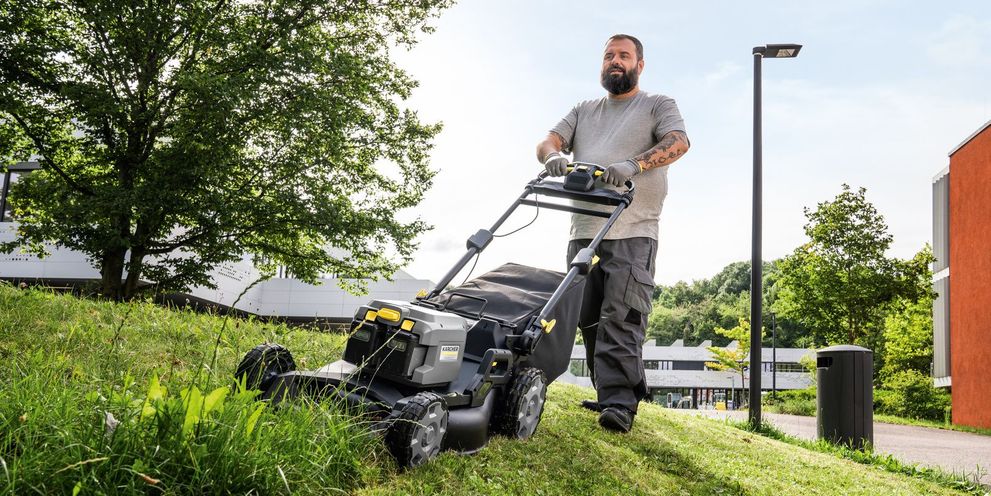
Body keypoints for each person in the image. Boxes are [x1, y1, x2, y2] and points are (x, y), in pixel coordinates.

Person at [535, 34, 690, 432]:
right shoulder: (584, 110)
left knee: (621, 315)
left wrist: (634, 165)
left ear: (640, 64)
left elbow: (679, 142)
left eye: (624, 55)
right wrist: (553, 155)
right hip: (585, 229)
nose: (614, 61)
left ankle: (621, 404)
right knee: (586, 317)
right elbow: (551, 139)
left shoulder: (657, 104)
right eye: (608, 56)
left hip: (632, 229)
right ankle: (608, 393)